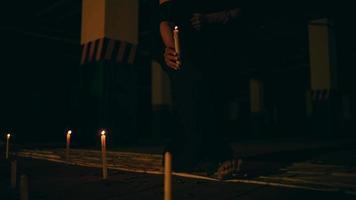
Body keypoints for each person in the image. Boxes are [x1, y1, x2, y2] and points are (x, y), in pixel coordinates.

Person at [159, 0, 245, 179]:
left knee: (214, 102)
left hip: (215, 46)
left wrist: (210, 18)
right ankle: (193, 154)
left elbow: (240, 10)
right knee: (190, 100)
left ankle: (217, 154)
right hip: (183, 50)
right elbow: (164, 20)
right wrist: (170, 47)